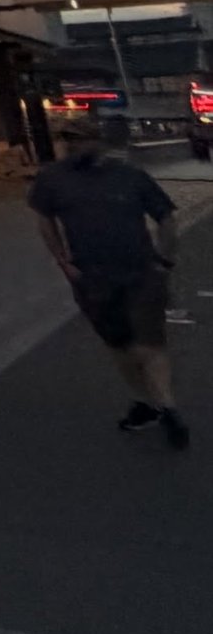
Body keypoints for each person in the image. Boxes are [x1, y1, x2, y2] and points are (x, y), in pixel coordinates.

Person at [28, 110, 186, 450]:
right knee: (120, 345)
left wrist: (165, 258)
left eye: (80, 139)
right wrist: (63, 261)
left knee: (149, 344)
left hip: (141, 272)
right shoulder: (52, 179)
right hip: (93, 278)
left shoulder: (130, 176)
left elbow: (166, 216)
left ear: (96, 141)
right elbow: (44, 218)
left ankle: (168, 407)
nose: (73, 146)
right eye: (67, 139)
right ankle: (147, 402)